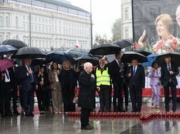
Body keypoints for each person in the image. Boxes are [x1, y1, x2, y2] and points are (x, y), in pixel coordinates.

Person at [78, 62, 95, 130]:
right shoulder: (82, 74)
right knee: (84, 111)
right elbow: (87, 83)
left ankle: (87, 123)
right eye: (90, 68)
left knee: (88, 111)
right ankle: (83, 125)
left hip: (88, 96)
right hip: (84, 97)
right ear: (86, 68)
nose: (91, 69)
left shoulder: (89, 74)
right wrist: (92, 79)